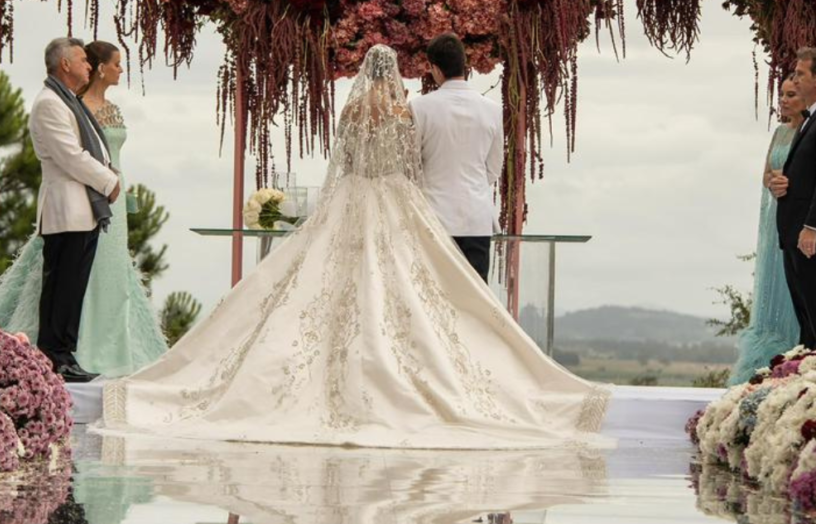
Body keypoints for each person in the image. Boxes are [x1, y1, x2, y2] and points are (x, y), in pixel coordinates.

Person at [99, 44, 609, 449]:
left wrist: (333, 202)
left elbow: (341, 164)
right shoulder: (407, 110)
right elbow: (414, 165)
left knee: (329, 285)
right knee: (425, 296)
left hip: (350, 198)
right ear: (397, 74)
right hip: (408, 203)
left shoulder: (359, 110)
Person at [0, 40, 166, 379]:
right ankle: (56, 357)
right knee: (62, 289)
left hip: (83, 210)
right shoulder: (50, 103)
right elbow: (70, 156)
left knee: (71, 289)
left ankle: (64, 355)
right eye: (82, 60)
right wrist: (109, 181)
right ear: (64, 65)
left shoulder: (66, 100)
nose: (88, 65)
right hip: (68, 210)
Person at [409, 33, 503, 282]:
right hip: (477, 218)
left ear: (434, 69)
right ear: (465, 64)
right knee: (477, 296)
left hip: (435, 216)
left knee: (437, 294)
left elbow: (412, 164)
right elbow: (494, 168)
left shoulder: (419, 107)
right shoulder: (493, 110)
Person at [729, 77, 803, 384]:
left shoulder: (809, 131)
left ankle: (793, 353)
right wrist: (774, 181)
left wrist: (790, 182)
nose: (783, 100)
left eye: (791, 94)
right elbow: (766, 175)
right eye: (781, 94)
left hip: (797, 217)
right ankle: (762, 361)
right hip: (774, 219)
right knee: (772, 284)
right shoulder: (780, 132)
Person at [778, 47, 816, 349]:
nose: (795, 79)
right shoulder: (808, 119)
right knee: (806, 317)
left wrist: (812, 226)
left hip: (808, 235)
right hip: (793, 233)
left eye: (801, 74)